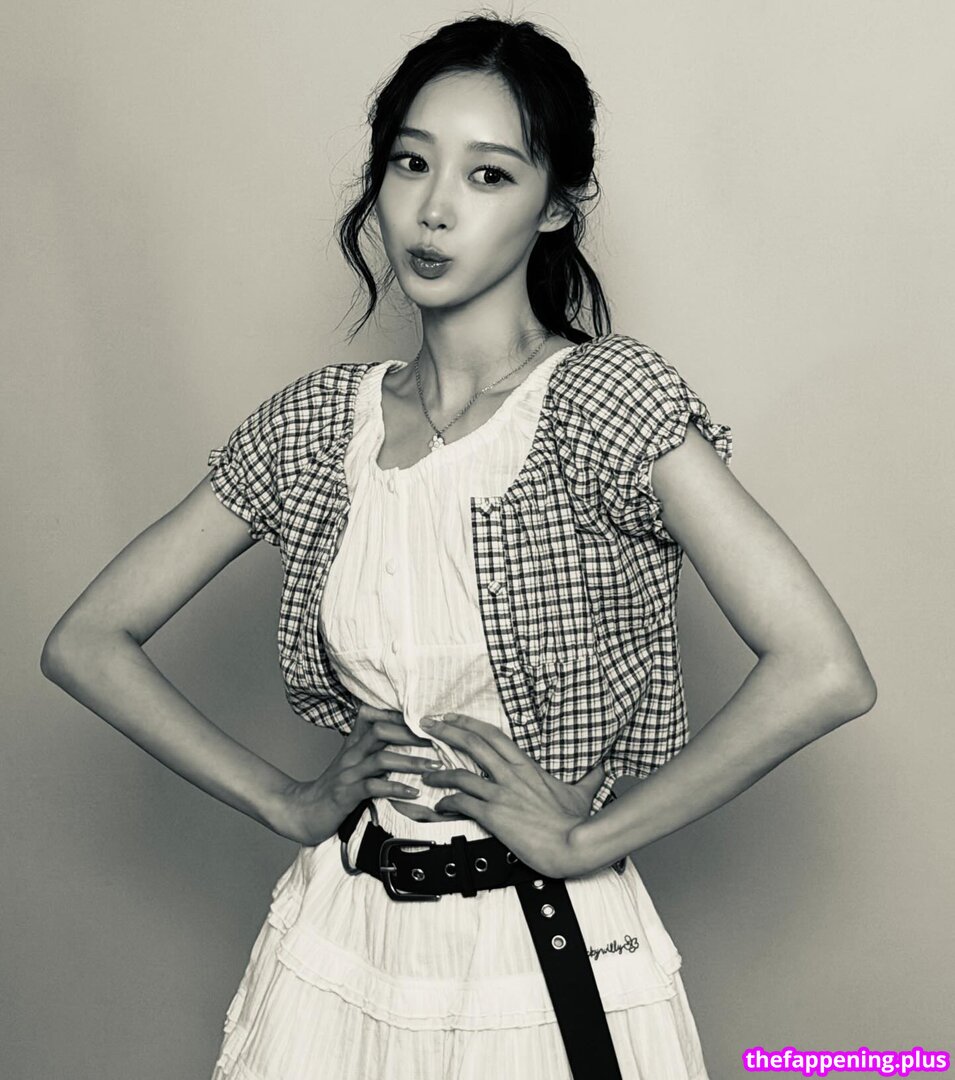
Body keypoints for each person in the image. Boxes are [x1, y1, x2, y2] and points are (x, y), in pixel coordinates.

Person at [40, 13, 877, 1080]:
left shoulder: (602, 404)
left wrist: (585, 840)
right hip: (335, 944)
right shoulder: (318, 425)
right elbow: (87, 640)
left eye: (489, 175)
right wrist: (287, 801)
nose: (434, 209)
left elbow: (822, 670)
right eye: (410, 163)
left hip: (539, 955)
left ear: (556, 204)